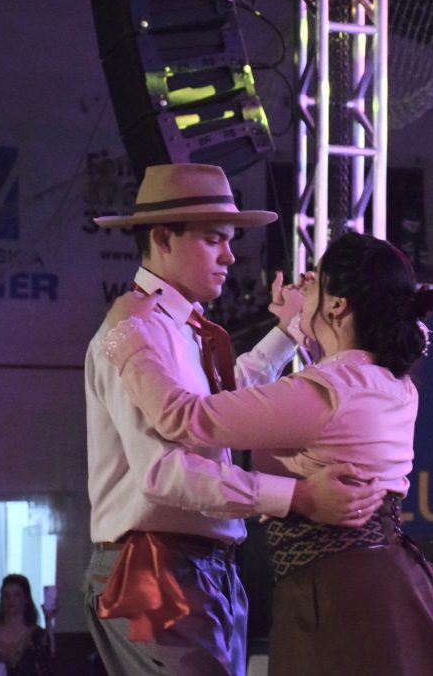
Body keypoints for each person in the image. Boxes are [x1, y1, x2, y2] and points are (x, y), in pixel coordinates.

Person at [104, 231, 433, 676]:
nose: (302, 282)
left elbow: (187, 417)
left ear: (337, 305)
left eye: (316, 279)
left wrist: (130, 339)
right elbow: (252, 401)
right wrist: (294, 328)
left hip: (337, 587)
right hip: (387, 575)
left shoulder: (325, 393)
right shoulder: (390, 382)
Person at [84, 163, 384, 676]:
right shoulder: (135, 331)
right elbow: (165, 474)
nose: (229, 256)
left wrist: (287, 334)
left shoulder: (173, 326)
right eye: (214, 240)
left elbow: (218, 405)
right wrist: (299, 497)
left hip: (200, 564)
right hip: (152, 567)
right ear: (163, 238)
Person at [0, 575, 53, 676]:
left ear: (26, 599)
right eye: (6, 595)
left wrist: (48, 619)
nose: (11, 600)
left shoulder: (36, 636)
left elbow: (48, 660)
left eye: (17, 595)